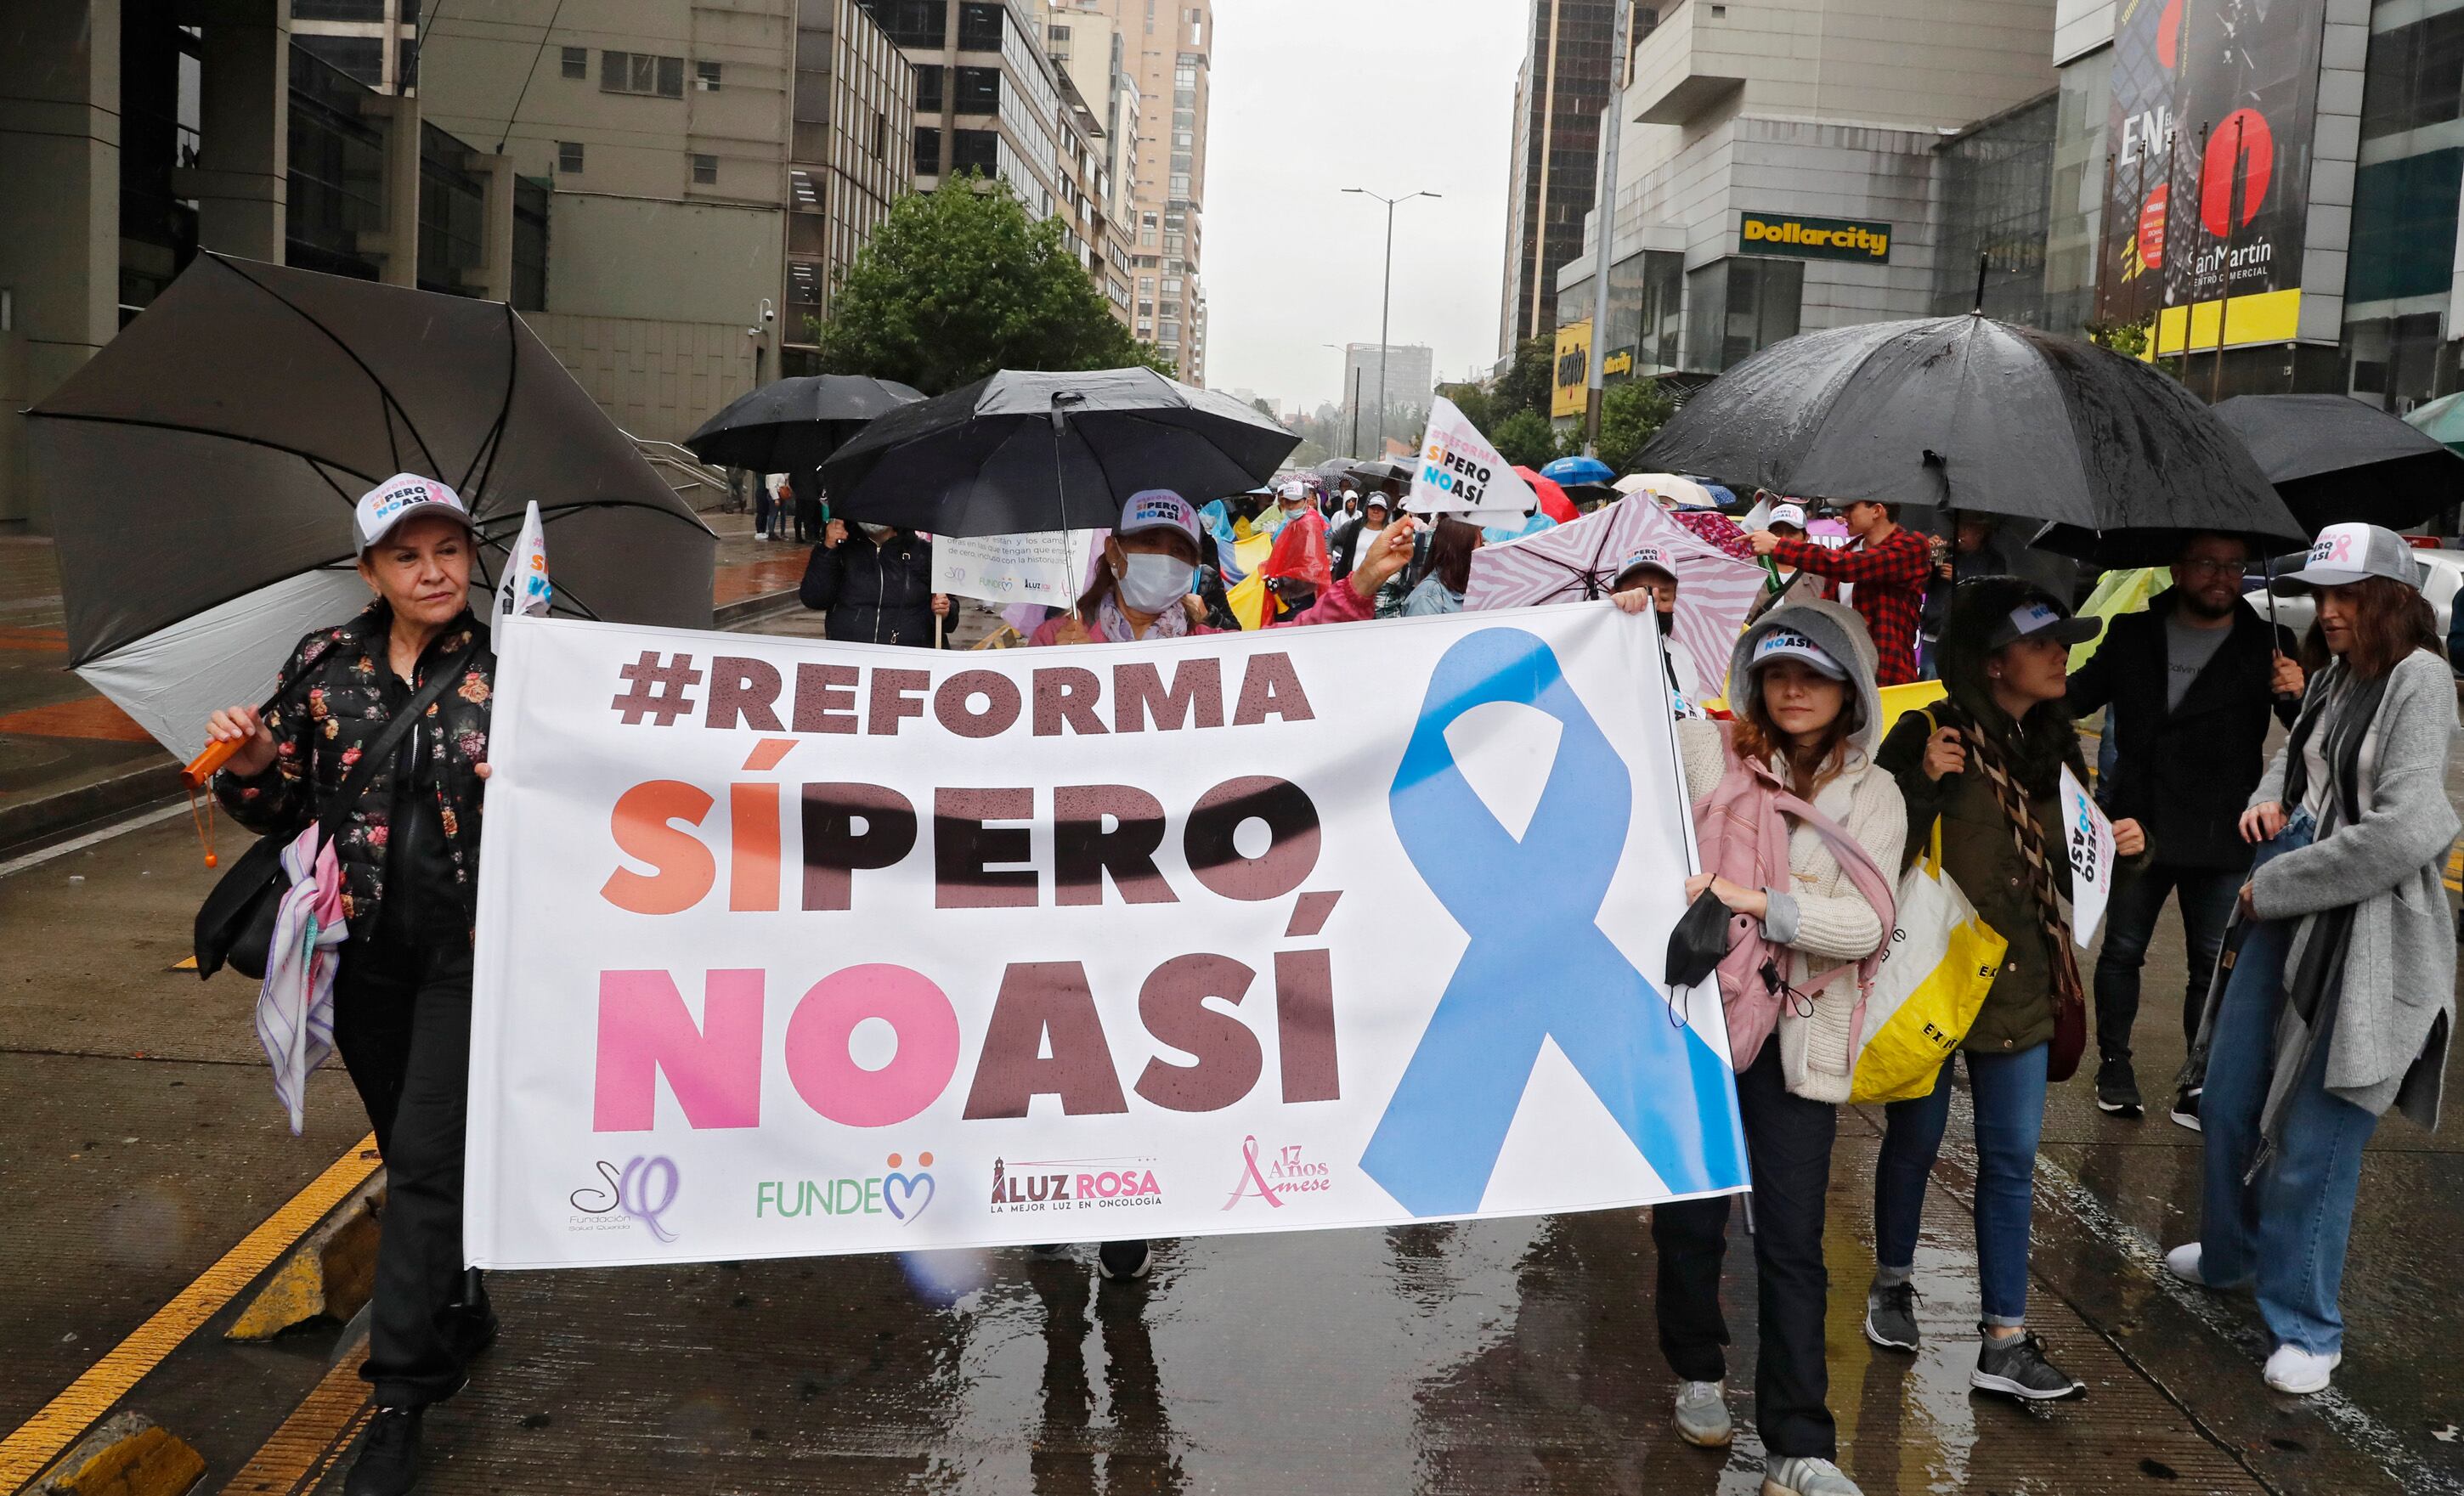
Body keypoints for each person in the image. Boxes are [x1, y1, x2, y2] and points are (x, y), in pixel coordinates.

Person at [203, 476, 503, 1496]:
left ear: (473, 557)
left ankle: (401, 1400)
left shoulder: (521, 667)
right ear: (370, 570)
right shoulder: (324, 666)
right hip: (361, 951)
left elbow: (595, 806)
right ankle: (458, 1285)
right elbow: (282, 805)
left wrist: (535, 788)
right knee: (409, 1146)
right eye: (408, 555)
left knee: (420, 1162)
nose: (434, 572)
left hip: (474, 956)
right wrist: (249, 763)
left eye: (449, 551)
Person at [2166, 523, 2458, 1397]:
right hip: (2287, 900)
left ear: (2391, 599)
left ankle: (2306, 1325)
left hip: (2363, 932)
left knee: (2317, 1135)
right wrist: (2266, 804)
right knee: (2223, 1097)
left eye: (2344, 596)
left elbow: (2410, 828)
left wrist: (2277, 881)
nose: (2325, 612)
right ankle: (2231, 1255)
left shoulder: (2418, 677)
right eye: (2319, 595)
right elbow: (2290, 769)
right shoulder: (2334, 674)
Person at [1636, 599, 1904, 1496]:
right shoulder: (1711, 754)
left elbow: (1865, 925)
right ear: (1753, 680)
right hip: (1699, 1022)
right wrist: (1630, 628)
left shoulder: (1872, 794)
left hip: (1794, 1037)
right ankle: (1698, 1371)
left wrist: (1753, 903)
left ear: (1848, 690)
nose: (1792, 691)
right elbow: (1626, 716)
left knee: (1791, 1240)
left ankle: (1798, 1445)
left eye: (1814, 676)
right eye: (1777, 673)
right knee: (1689, 1216)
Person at [1868, 578, 2147, 1400]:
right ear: (1991, 662)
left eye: (2063, 640)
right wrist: (1918, 783)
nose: (2062, 654)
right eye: (2041, 642)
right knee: (1913, 1142)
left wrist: (2120, 845)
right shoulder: (1924, 732)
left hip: (2021, 977)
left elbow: (2064, 868)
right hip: (1934, 975)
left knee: (2011, 1158)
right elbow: (1870, 854)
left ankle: (2003, 1340)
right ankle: (1889, 1282)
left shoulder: (2055, 746)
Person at [2065, 532, 2303, 1120]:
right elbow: (2069, 697)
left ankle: (2199, 1077)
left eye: (2233, 566)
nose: (2222, 577)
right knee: (2122, 950)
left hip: (2223, 826)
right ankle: (2115, 1066)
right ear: (2177, 568)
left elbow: (2312, 741)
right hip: (2136, 819)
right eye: (2207, 564)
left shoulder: (2270, 643)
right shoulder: (2131, 633)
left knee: (2211, 960)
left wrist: (2301, 695)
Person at [1749, 500, 1930, 686]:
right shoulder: (1847, 551)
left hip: (1887, 676)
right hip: (1842, 675)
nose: (1843, 514)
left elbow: (1850, 567)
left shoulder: (1912, 546)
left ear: (1877, 511)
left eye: (1850, 508)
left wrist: (1778, 546)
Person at [798, 517, 949, 646]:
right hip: (849, 661)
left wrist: (945, 610)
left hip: (908, 664)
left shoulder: (923, 552)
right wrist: (828, 548)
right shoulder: (842, 549)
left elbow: (948, 610)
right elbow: (814, 598)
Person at [1609, 546, 1703, 717]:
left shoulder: (1682, 655)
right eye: (1644, 594)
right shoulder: (1601, 649)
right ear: (1614, 594)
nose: (1655, 603)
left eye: (1665, 597)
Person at [1401, 515, 1483, 617]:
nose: (1482, 552)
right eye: (1480, 546)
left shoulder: (1473, 587)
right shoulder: (1427, 597)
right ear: (1463, 550)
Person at [1331, 493, 1391, 581]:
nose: (1376, 511)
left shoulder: (1391, 533)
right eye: (1372, 507)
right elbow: (1331, 538)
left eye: (1380, 509)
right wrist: (1328, 554)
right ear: (1367, 508)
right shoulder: (1353, 526)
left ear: (1386, 512)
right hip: (1349, 583)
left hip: (1375, 586)